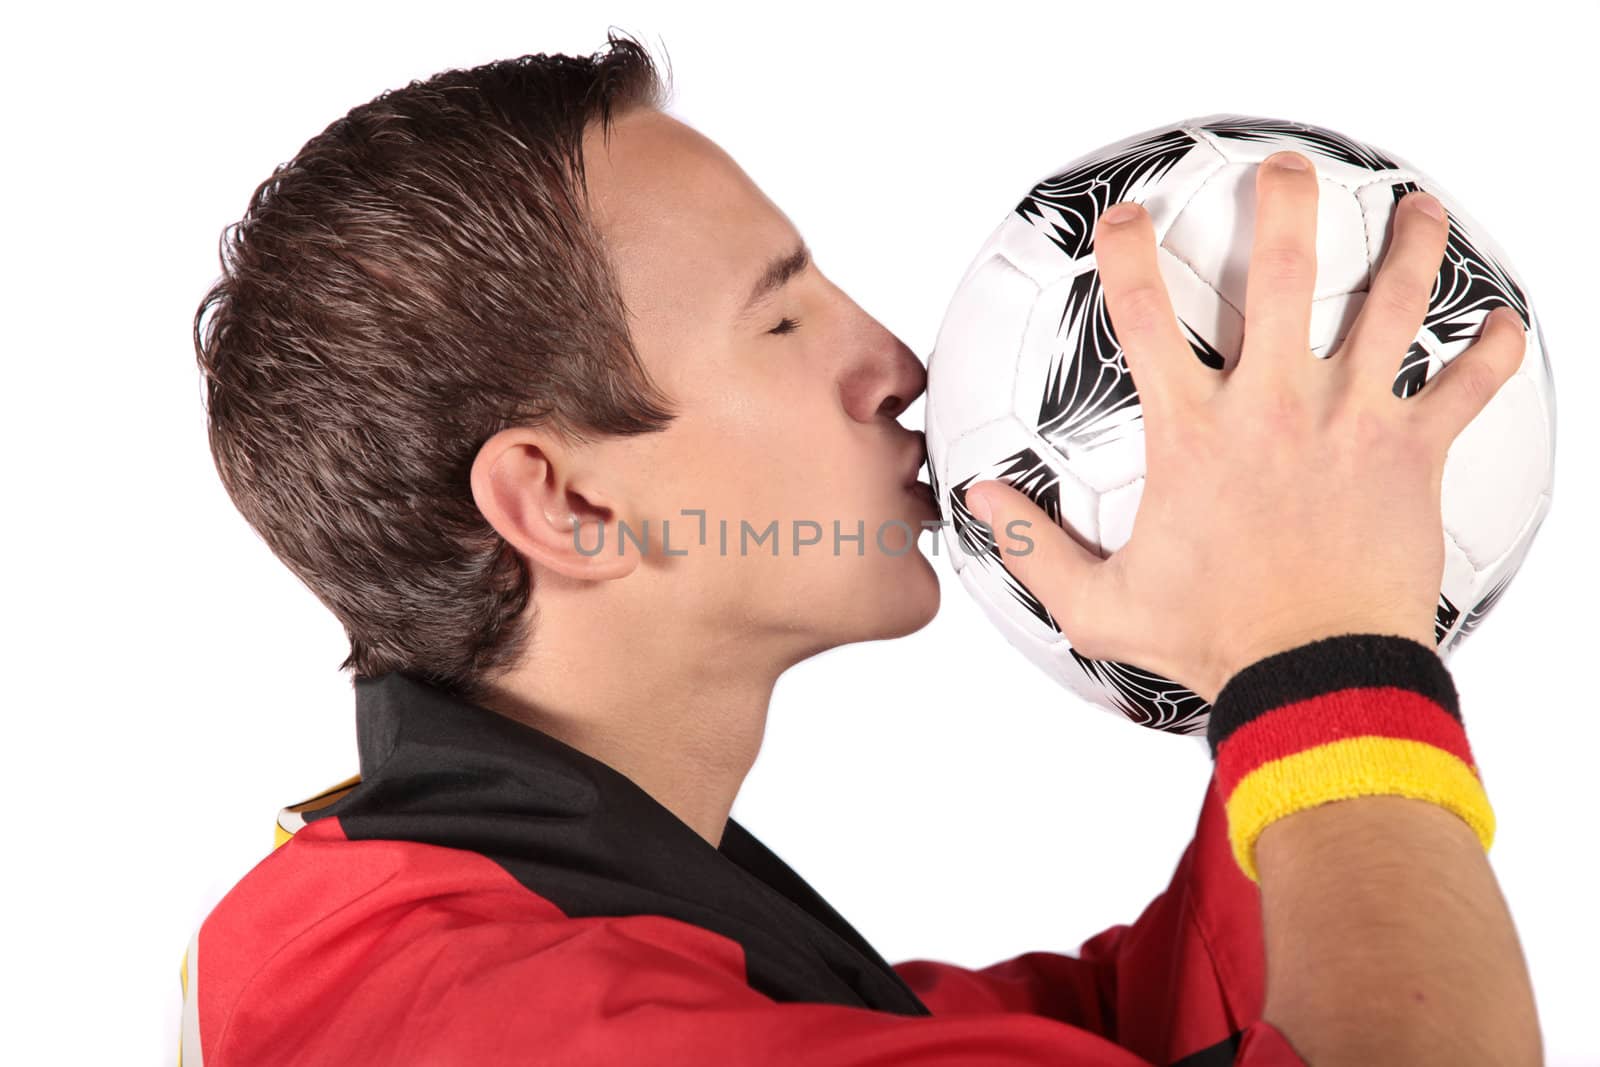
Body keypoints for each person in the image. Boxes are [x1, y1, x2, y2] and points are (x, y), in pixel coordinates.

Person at [179, 31, 1541, 1066]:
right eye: (780, 323)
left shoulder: (505, 941)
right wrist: (1326, 663)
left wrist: (1275, 600)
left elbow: (1130, 1031)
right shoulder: (509, 1031)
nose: (895, 362)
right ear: (564, 503)